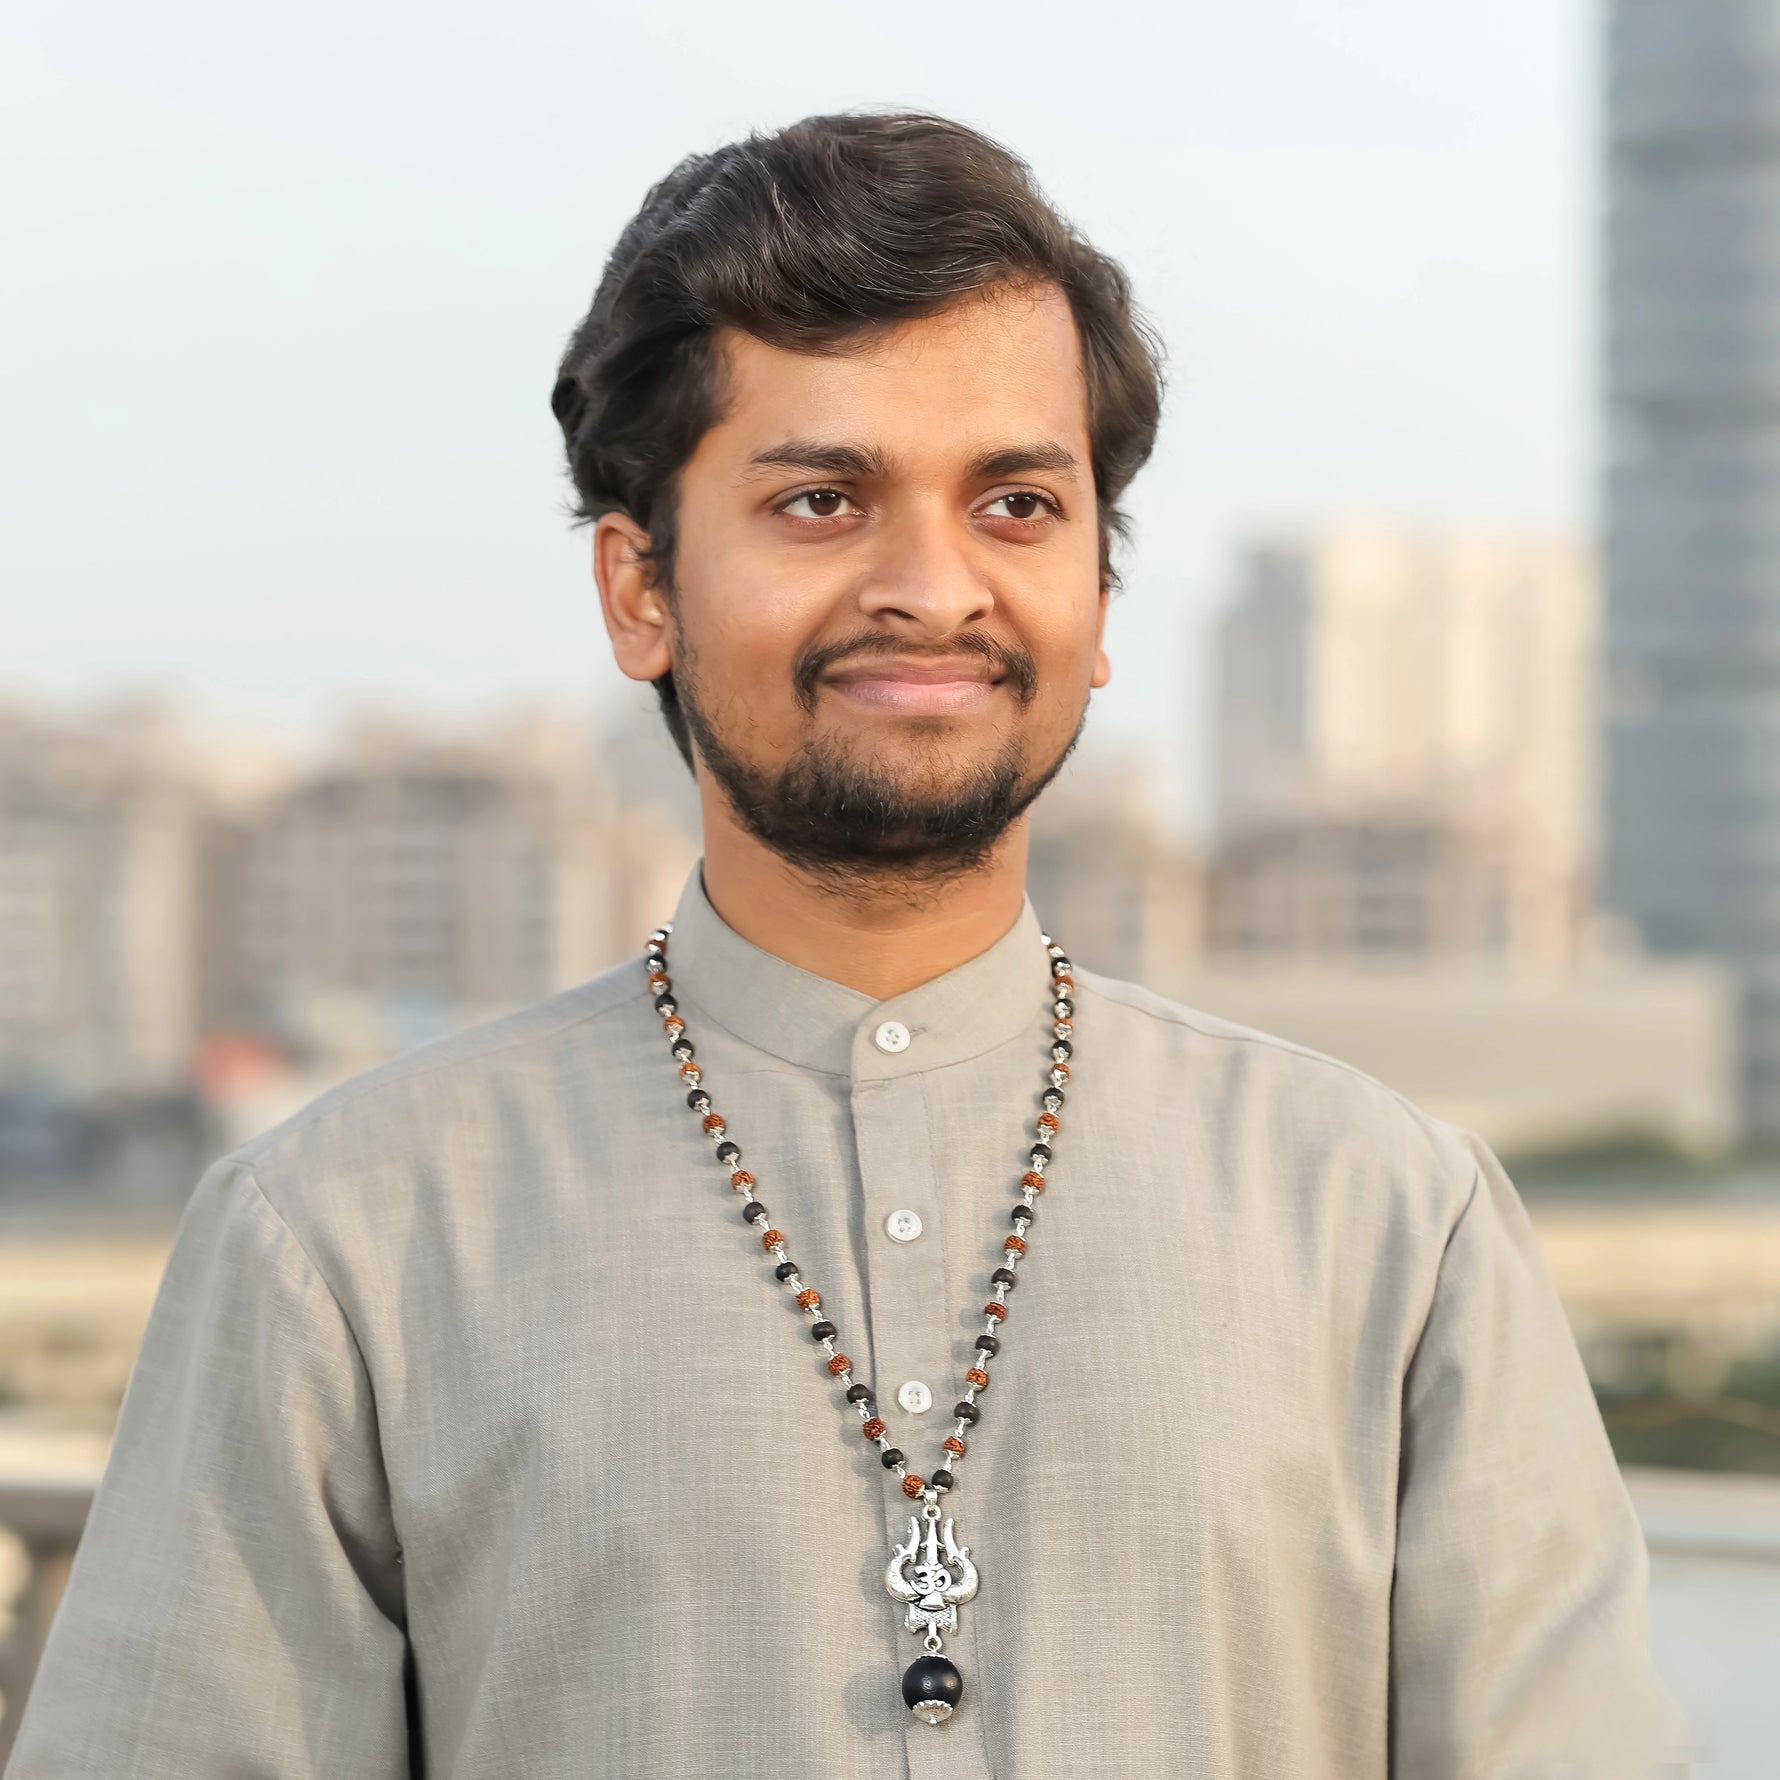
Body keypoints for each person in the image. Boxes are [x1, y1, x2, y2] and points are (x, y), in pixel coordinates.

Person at [8, 111, 1688, 1778]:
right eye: (822, 500)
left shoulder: (1394, 1227)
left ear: (1099, 600)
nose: (930, 586)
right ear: (639, 591)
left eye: (1017, 504)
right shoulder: (345, 1245)